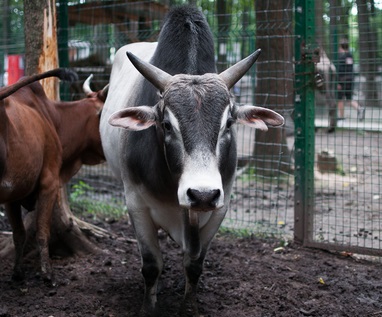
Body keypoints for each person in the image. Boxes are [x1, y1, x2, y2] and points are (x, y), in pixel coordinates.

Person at [337, 39, 365, 121]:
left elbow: (340, 71)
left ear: (340, 47)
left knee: (339, 99)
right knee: (349, 99)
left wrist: (338, 83)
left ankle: (341, 117)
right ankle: (360, 109)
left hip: (342, 81)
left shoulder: (341, 57)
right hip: (350, 80)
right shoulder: (350, 56)